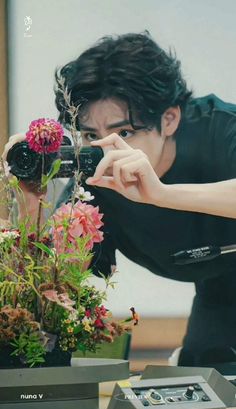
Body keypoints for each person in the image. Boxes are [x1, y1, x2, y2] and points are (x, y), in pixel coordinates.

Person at [5, 32, 236, 372]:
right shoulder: (95, 183)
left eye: (124, 133)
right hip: (218, 288)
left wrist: (162, 194)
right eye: (90, 136)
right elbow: (57, 286)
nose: (108, 150)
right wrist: (30, 205)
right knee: (202, 372)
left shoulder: (221, 130)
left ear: (169, 119)